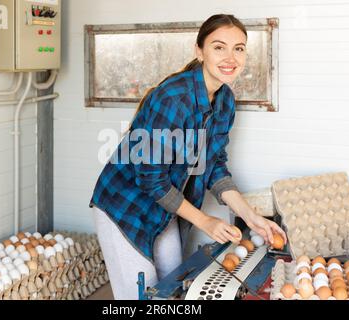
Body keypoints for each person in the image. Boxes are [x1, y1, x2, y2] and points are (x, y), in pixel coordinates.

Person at [89, 14, 287, 300]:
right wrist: (205, 221)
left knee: (173, 290)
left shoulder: (225, 101)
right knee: (141, 296)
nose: (231, 57)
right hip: (126, 206)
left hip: (166, 206)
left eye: (239, 48)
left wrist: (251, 216)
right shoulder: (173, 97)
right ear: (199, 50)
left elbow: (214, 166)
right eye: (219, 47)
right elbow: (150, 178)